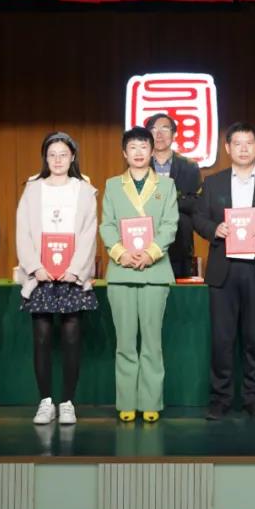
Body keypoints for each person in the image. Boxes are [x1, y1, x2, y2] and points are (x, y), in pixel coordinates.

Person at [194, 122, 255, 421]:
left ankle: (254, 400)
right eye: (237, 143)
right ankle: (220, 399)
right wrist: (215, 229)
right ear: (228, 148)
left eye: (249, 143)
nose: (244, 149)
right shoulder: (213, 182)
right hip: (224, 270)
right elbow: (198, 218)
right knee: (222, 340)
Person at [16, 132, 99, 426]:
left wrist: (75, 269)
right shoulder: (32, 189)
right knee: (41, 339)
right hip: (40, 276)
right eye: (52, 155)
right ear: (45, 158)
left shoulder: (84, 190)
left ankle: (67, 402)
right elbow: (23, 231)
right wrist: (35, 266)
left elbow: (89, 232)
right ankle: (45, 401)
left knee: (71, 339)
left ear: (72, 157)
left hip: (72, 276)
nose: (58, 160)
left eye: (63, 154)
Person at [98, 127, 179, 423]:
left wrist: (151, 252)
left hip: (155, 272)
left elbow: (170, 224)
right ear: (124, 153)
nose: (138, 152)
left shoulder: (167, 186)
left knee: (152, 343)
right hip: (121, 272)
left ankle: (151, 401)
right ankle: (127, 402)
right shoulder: (112, 185)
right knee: (125, 343)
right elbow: (107, 225)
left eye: (144, 146)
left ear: (152, 151)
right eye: (132, 147)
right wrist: (121, 253)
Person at [146, 113, 202, 278]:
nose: (159, 134)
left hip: (180, 244)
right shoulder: (140, 165)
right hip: (146, 245)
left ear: (174, 134)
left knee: (179, 292)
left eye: (164, 128)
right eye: (153, 129)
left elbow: (196, 202)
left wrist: (165, 199)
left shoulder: (189, 167)